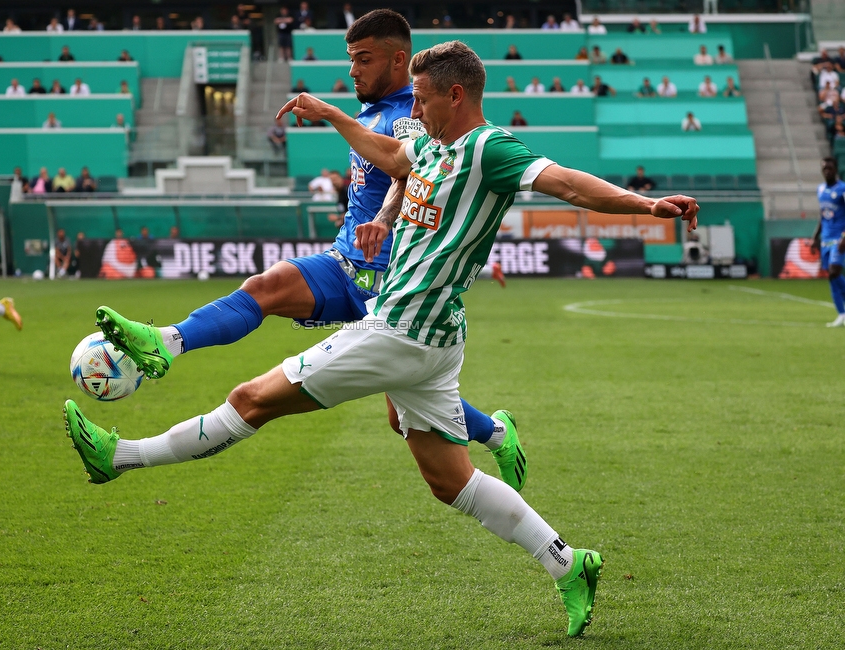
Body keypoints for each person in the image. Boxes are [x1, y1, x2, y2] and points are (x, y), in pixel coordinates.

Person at [71, 38, 697, 641]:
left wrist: (646, 207)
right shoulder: (431, 146)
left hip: (399, 329)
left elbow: (566, 183)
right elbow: (391, 157)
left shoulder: (489, 150)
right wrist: (335, 115)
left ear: (457, 95)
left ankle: (119, 457)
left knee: (251, 399)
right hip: (435, 338)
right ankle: (570, 563)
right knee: (450, 481)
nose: (413, 112)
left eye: (422, 101)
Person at [80, 11, 529, 494]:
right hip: (346, 263)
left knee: (403, 418)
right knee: (266, 286)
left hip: (397, 284)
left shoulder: (413, 114)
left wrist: (381, 220)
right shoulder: (373, 108)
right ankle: (166, 342)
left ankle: (497, 431)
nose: (353, 70)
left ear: (399, 60)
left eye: (364, 59)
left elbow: (408, 173)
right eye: (351, 59)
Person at [812, 158, 845, 327]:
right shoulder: (820, 189)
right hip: (825, 238)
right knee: (831, 278)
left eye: (830, 168)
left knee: (834, 272)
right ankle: (841, 314)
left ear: (836, 169)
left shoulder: (842, 189)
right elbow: (822, 214)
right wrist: (814, 237)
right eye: (824, 168)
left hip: (839, 238)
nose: (827, 171)